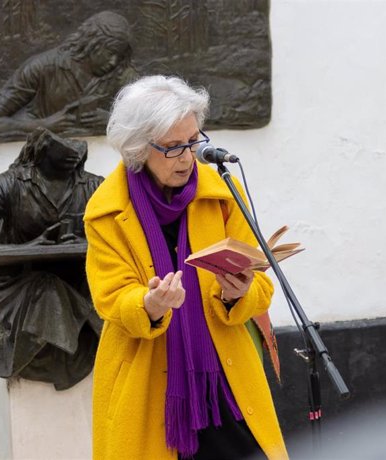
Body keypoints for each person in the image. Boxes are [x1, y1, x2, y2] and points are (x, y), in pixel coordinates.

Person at [84, 75, 288, 459]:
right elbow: (110, 297)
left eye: (194, 141)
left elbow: (260, 285)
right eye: (174, 147)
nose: (187, 157)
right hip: (146, 380)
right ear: (138, 148)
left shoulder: (222, 192)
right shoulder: (107, 210)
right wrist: (150, 304)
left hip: (223, 378)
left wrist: (237, 291)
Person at [0, 128, 103, 390]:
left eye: (78, 149)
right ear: (41, 150)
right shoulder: (7, 185)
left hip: (79, 285)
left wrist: (85, 242)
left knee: (110, 301)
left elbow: (125, 238)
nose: (75, 153)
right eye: (63, 149)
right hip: (18, 287)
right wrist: (26, 248)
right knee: (48, 290)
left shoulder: (95, 186)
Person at [0, 10, 138, 141]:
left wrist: (113, 122)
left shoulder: (122, 74)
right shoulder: (41, 67)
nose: (113, 61)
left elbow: (155, 122)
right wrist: (43, 125)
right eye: (110, 53)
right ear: (92, 44)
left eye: (119, 55)